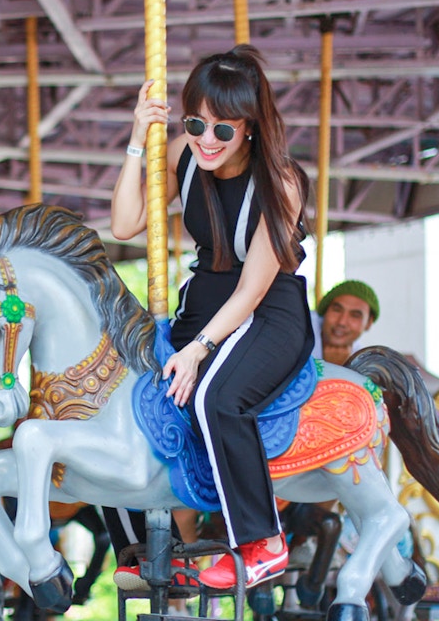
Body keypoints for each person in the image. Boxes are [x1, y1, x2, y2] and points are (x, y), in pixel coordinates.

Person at [111, 44, 314, 589]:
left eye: (223, 130)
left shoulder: (282, 183)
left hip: (269, 310)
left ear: (249, 127)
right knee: (120, 391)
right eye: (197, 122)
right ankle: (143, 547)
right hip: (204, 301)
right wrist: (138, 137)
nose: (206, 139)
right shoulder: (185, 153)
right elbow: (125, 223)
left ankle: (262, 541)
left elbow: (253, 286)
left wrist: (199, 348)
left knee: (213, 397)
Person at [311, 279, 379, 365]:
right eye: (337, 310)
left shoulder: (362, 360)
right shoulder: (300, 330)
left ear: (368, 323)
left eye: (355, 315)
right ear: (325, 311)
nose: (341, 322)